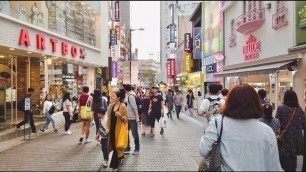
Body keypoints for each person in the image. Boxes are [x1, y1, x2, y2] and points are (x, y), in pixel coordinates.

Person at [199, 84, 282, 171]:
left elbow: (203, 150)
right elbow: (274, 166)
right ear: (256, 103)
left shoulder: (218, 124)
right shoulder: (267, 131)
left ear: (229, 102)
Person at [275, 90, 306, 171]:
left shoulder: (281, 108)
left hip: (285, 139)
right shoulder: (299, 110)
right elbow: (303, 124)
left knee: (285, 161)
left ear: (285, 98)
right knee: (293, 158)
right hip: (296, 140)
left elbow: (277, 123)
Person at [107, 90, 128, 171]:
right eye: (111, 96)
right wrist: (108, 128)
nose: (112, 97)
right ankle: (121, 157)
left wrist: (120, 116)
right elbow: (109, 118)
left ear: (118, 98)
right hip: (112, 130)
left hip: (119, 131)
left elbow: (126, 119)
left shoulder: (123, 106)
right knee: (114, 146)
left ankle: (114, 166)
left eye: (113, 96)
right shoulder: (111, 106)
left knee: (116, 147)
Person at [124, 84, 140, 155]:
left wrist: (137, 118)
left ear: (125, 89)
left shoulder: (130, 96)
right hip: (129, 117)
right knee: (126, 132)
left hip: (132, 118)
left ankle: (137, 148)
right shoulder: (131, 94)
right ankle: (127, 147)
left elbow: (134, 107)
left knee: (134, 133)